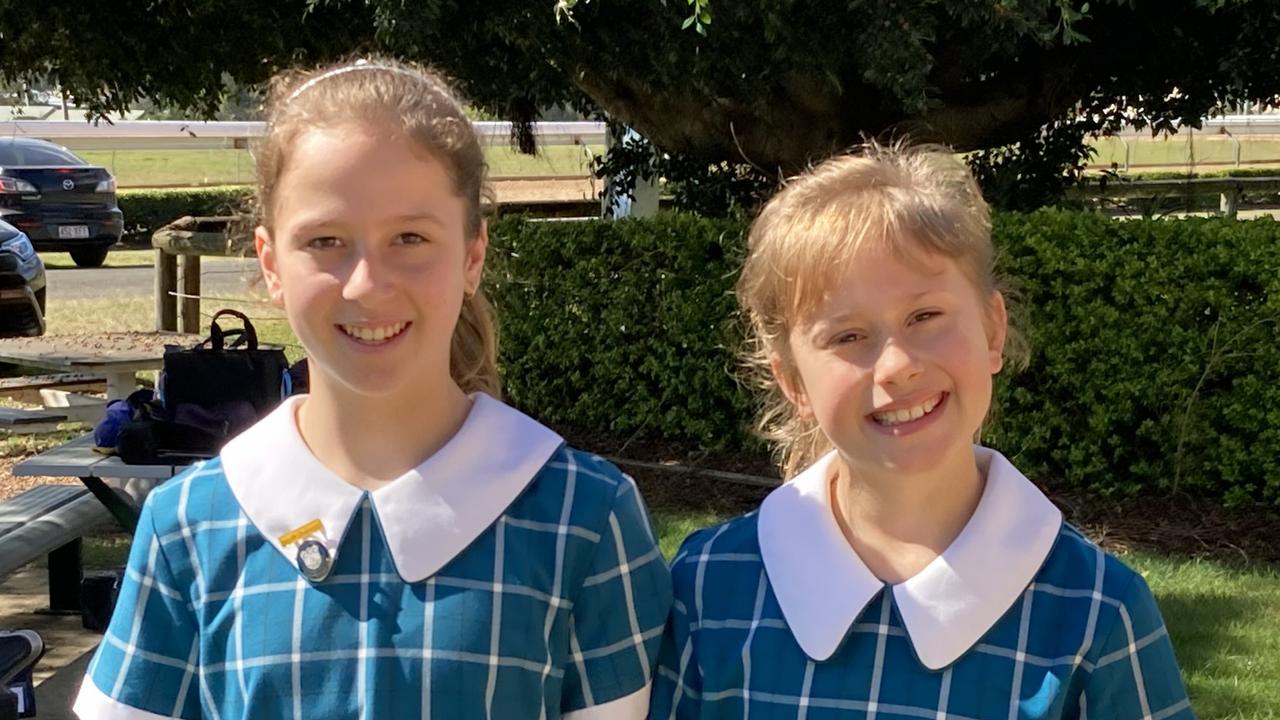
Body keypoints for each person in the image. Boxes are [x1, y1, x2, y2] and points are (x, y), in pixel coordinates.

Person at [75, 57, 671, 719]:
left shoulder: (584, 519)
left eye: (410, 237)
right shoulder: (188, 525)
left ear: (472, 256)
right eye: (326, 240)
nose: (366, 284)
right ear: (270, 264)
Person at [650, 143, 1194, 719]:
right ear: (794, 383)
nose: (896, 365)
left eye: (925, 317)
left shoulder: (1098, 614)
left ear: (991, 329)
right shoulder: (707, 588)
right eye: (847, 336)